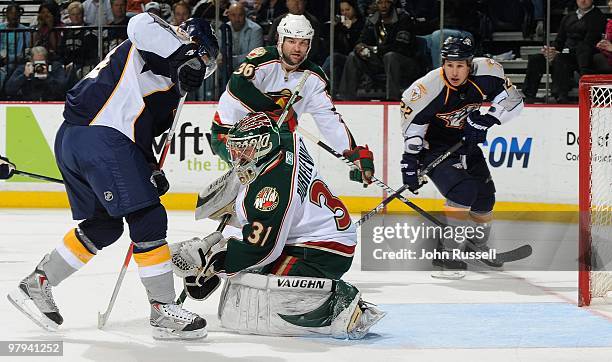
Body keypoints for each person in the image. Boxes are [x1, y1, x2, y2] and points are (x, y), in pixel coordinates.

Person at [6, 14, 219, 340]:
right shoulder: (162, 42)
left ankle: (38, 282)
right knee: (148, 217)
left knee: (104, 226)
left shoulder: (169, 88)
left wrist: (148, 169)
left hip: (77, 139)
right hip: (101, 137)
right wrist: (183, 56)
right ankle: (162, 310)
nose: (203, 69)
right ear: (190, 44)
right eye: (203, 59)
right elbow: (139, 24)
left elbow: (139, 133)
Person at [171, 112, 385, 339]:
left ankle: (343, 306)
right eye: (236, 148)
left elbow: (262, 251)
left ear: (264, 144)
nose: (237, 155)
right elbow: (280, 127)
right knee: (243, 275)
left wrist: (215, 263)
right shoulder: (287, 141)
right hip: (323, 233)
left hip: (323, 250)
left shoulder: (270, 191)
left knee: (259, 292)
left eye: (245, 148)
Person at [399, 36, 524, 278]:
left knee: (485, 199)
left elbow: (514, 100)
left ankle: (477, 245)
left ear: (470, 64)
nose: (454, 72)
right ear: (443, 63)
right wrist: (410, 161)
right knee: (463, 191)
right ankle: (447, 253)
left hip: (466, 143)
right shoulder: (427, 89)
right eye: (449, 65)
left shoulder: (487, 72)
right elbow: (413, 130)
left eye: (460, 65)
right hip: (433, 147)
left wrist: (486, 120)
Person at [212, 14, 375, 187]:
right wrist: (275, 111)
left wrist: (352, 153)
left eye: (303, 43)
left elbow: (330, 120)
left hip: (271, 138)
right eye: (291, 41)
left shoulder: (314, 78)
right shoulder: (262, 59)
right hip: (229, 131)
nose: (297, 48)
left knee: (292, 178)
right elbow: (238, 86)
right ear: (280, 40)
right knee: (268, 183)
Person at [521, 0, 606, 103]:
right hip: (564, 53)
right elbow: (560, 40)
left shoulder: (598, 17)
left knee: (561, 58)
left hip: (583, 56)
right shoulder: (569, 16)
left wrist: (562, 53)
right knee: (536, 59)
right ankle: (529, 95)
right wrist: (552, 50)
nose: (583, 0)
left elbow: (589, 42)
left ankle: (559, 95)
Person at [338, 0, 420, 101]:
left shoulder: (403, 18)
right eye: (380, 2)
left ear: (392, 3)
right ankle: (346, 98)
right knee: (353, 56)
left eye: (387, 2)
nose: (383, 6)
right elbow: (362, 40)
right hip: (381, 60)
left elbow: (401, 47)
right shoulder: (373, 19)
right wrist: (360, 47)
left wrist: (374, 50)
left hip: (405, 62)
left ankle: (392, 99)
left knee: (390, 56)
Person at [225, 2, 263, 70]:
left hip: (248, 70)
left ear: (245, 15)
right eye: (233, 15)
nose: (237, 19)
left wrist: (229, 60)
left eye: (240, 15)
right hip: (226, 70)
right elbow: (219, 55)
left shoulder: (256, 30)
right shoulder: (223, 29)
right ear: (228, 15)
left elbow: (253, 56)